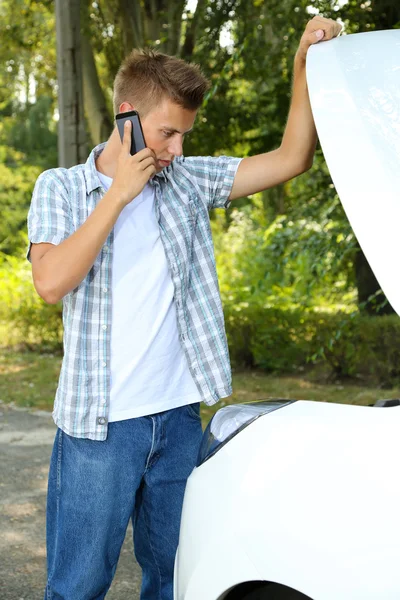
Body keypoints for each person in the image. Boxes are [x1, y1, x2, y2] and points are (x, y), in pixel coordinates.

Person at [27, 15, 341, 600]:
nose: (176, 149)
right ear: (126, 114)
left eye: (183, 136)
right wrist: (118, 194)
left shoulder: (187, 180)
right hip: (99, 428)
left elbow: (291, 157)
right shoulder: (62, 188)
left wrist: (303, 62)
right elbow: (51, 283)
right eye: (168, 133)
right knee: (77, 587)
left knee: (176, 580)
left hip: (177, 419)